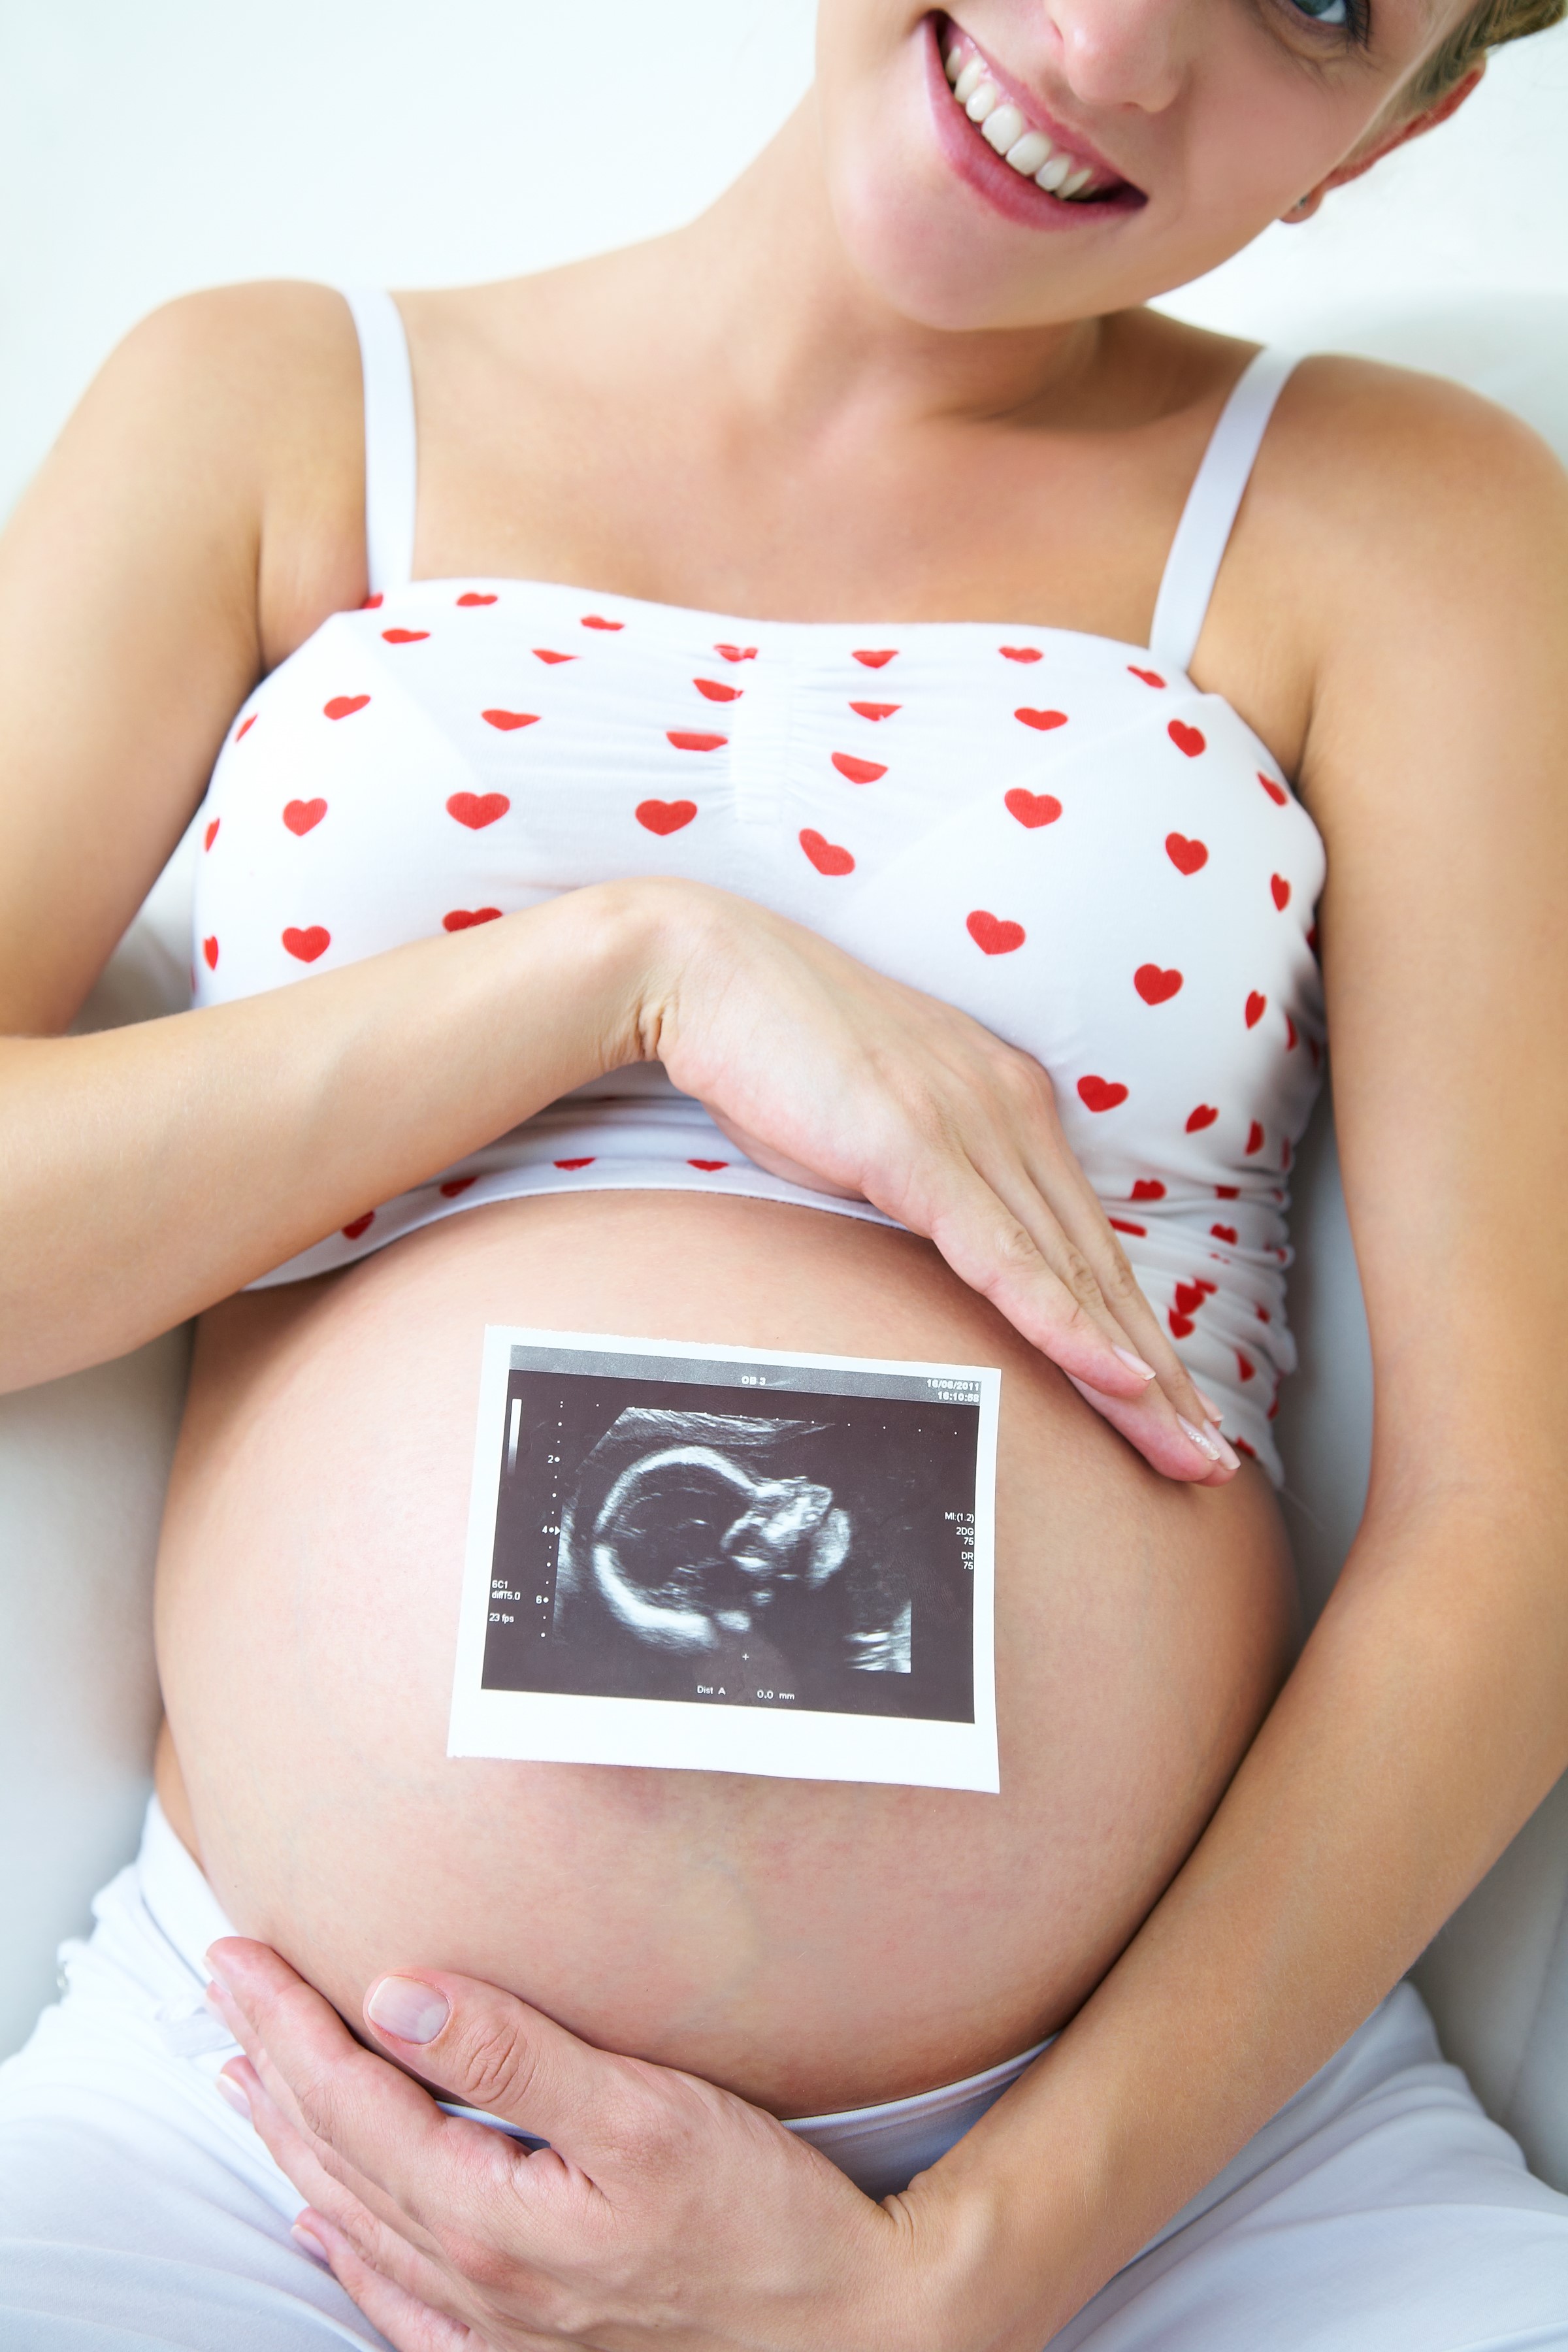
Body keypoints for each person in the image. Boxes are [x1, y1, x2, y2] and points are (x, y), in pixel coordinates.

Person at [3, 1, 1567, 2345]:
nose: (1119, 41)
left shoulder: (1414, 517)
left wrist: (962, 2275)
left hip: (1192, 2200)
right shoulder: (266, 405)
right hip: (275, 2141)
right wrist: (628, 974)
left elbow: (1516, 1516)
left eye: (1321, 3)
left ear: (1409, 117)